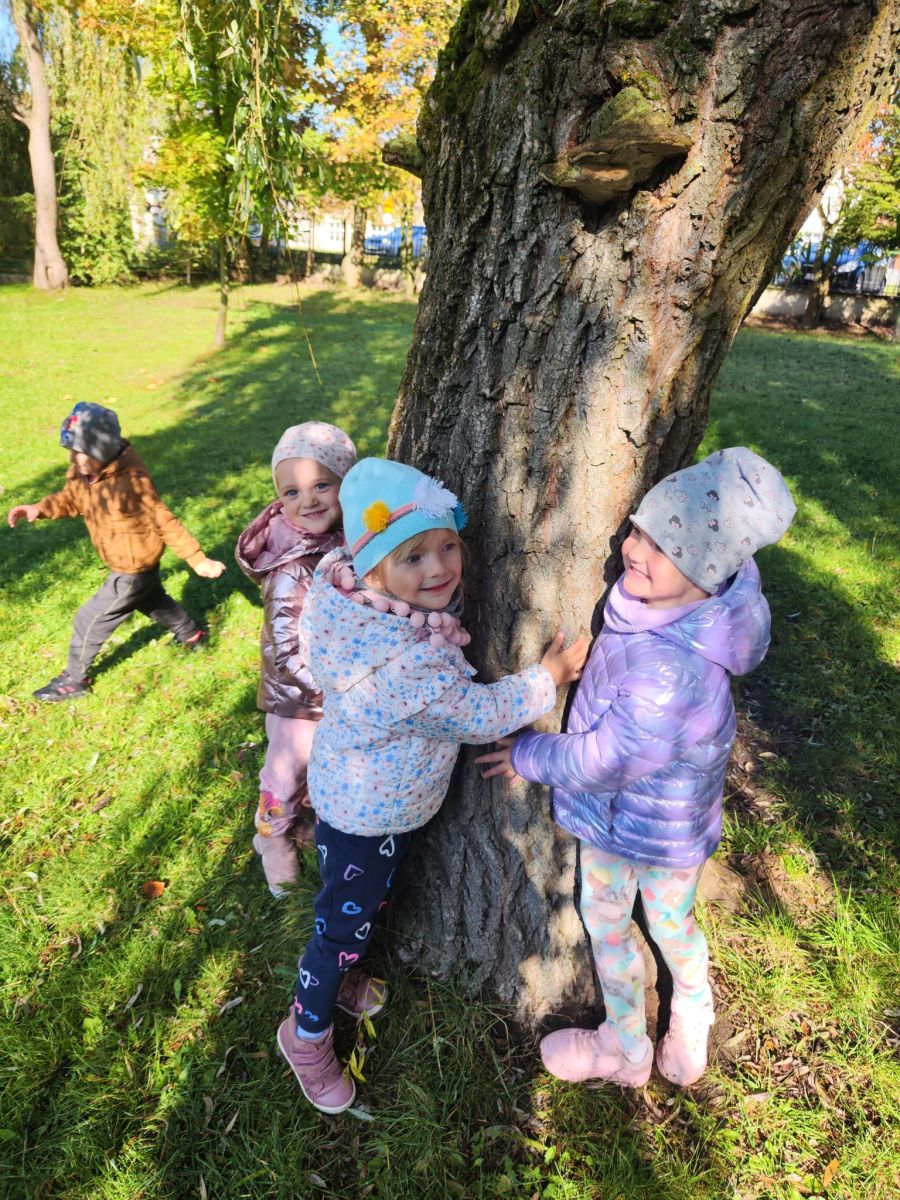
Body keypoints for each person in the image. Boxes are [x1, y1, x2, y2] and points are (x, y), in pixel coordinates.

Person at [276, 457, 590, 1114]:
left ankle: (344, 978)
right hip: (367, 816)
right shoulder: (405, 664)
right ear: (373, 570)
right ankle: (306, 1034)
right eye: (413, 557)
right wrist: (548, 678)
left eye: (447, 545)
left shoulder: (354, 608)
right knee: (339, 928)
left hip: (359, 799)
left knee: (362, 907)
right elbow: (477, 714)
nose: (439, 568)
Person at [477, 447, 795, 1089]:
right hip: (637, 821)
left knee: (648, 925)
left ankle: (670, 1026)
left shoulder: (669, 674)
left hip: (648, 828)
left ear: (705, 572)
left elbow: (608, 758)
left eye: (663, 547)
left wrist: (527, 753)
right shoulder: (669, 607)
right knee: (628, 924)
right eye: (639, 531)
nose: (633, 550)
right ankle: (641, 1038)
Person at [7, 402, 225, 700]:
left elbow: (163, 520)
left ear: (103, 449)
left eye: (81, 452)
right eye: (71, 451)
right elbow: (70, 499)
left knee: (90, 618)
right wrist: (39, 509)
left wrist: (197, 559)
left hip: (132, 568)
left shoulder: (131, 481)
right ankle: (192, 635)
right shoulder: (84, 472)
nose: (74, 459)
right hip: (131, 563)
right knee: (152, 599)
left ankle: (75, 679)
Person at [236, 421, 357, 897]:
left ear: (346, 483)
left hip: (334, 689)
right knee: (286, 773)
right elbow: (285, 648)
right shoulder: (291, 564)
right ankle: (271, 838)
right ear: (279, 501)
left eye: (321, 485)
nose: (308, 500)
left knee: (325, 769)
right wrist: (326, 691)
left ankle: (304, 824)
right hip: (298, 697)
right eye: (291, 492)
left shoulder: (347, 539)